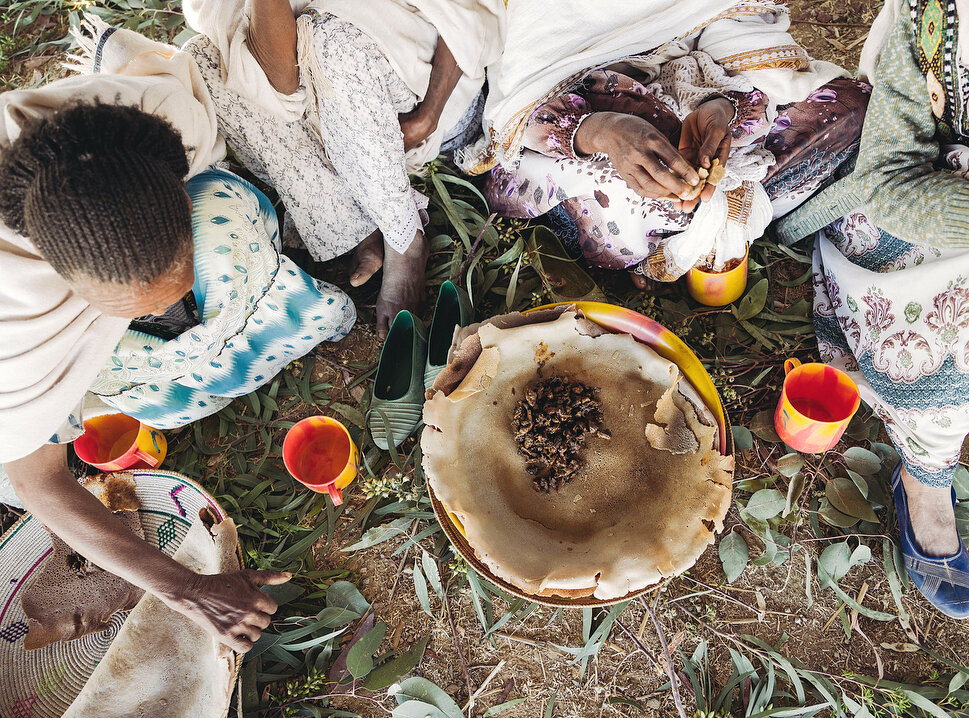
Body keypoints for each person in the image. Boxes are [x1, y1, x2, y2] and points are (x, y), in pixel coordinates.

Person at [0, 23, 356, 652]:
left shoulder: (156, 123)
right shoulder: (15, 328)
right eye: (132, 308)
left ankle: (256, 320)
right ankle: (179, 366)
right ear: (63, 282)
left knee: (232, 223)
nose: (173, 311)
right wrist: (184, 587)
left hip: (151, 201)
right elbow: (36, 481)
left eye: (172, 288)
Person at [775, 0, 969, 618]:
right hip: (896, 211)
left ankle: (933, 388)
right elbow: (887, 175)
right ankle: (926, 471)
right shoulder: (943, 12)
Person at [471, 0, 870, 288]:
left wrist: (719, 105)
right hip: (567, 118)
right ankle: (679, 235)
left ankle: (699, 228)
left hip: (689, 73)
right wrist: (605, 130)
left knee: (846, 104)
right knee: (636, 196)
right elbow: (514, 94)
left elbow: (731, 17)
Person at [183, 0, 504, 337]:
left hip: (426, 98)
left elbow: (469, 10)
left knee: (327, 36)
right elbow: (282, 83)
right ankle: (354, 224)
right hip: (335, 117)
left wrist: (428, 116)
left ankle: (405, 240)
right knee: (204, 57)